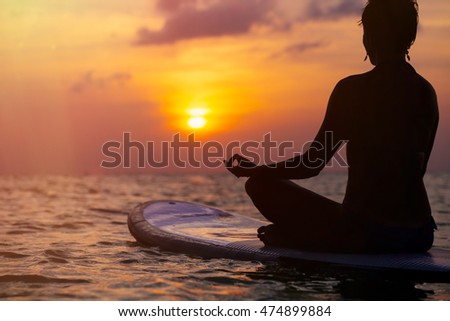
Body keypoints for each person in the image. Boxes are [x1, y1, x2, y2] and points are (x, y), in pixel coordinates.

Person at [225, 0, 439, 253]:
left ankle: (298, 238)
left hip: (366, 233)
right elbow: (418, 169)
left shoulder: (352, 90)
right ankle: (300, 236)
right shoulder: (426, 92)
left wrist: (257, 170)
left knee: (259, 184)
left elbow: (311, 164)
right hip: (420, 234)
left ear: (368, 36)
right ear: (410, 37)